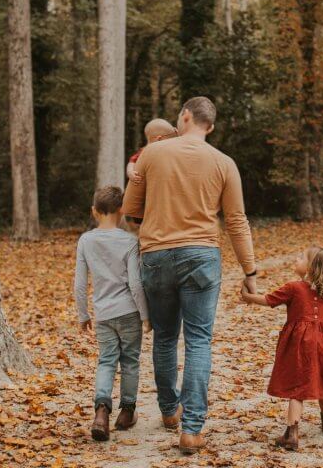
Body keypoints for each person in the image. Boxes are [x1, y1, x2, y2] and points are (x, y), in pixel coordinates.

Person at [122, 96, 258, 454]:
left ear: (184, 116)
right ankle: (192, 430)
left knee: (165, 337)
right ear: (209, 126)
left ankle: (169, 411)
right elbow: (236, 222)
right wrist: (250, 271)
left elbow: (130, 211)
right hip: (201, 255)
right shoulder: (224, 163)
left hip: (156, 255)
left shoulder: (152, 154)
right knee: (199, 341)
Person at [240, 247, 323, 451]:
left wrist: (248, 297)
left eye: (301, 257)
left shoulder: (294, 287)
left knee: (298, 387)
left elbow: (268, 300)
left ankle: (291, 432)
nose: (296, 258)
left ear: (310, 268)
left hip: (299, 344)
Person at [73, 186, 151, 443]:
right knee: (130, 361)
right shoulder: (130, 241)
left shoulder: (86, 240)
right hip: (129, 311)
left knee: (106, 361)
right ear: (121, 211)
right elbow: (136, 283)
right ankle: (127, 412)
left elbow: (80, 283)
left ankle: (101, 412)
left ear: (94, 211)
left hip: (104, 314)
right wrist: (145, 315)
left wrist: (83, 314)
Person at [126, 118, 177, 184]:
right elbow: (132, 161)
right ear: (159, 139)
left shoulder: (164, 150)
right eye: (170, 141)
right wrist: (130, 172)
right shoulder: (145, 152)